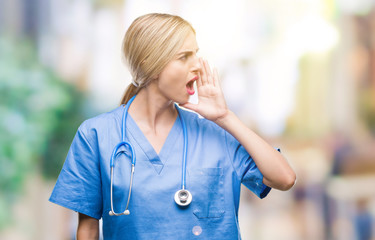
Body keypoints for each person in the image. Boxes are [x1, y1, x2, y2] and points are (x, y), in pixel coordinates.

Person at [49, 13, 296, 239]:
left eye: (196, 54)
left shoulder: (217, 133)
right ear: (150, 64)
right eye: (184, 56)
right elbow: (88, 228)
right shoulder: (96, 135)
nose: (198, 65)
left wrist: (225, 117)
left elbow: (284, 179)